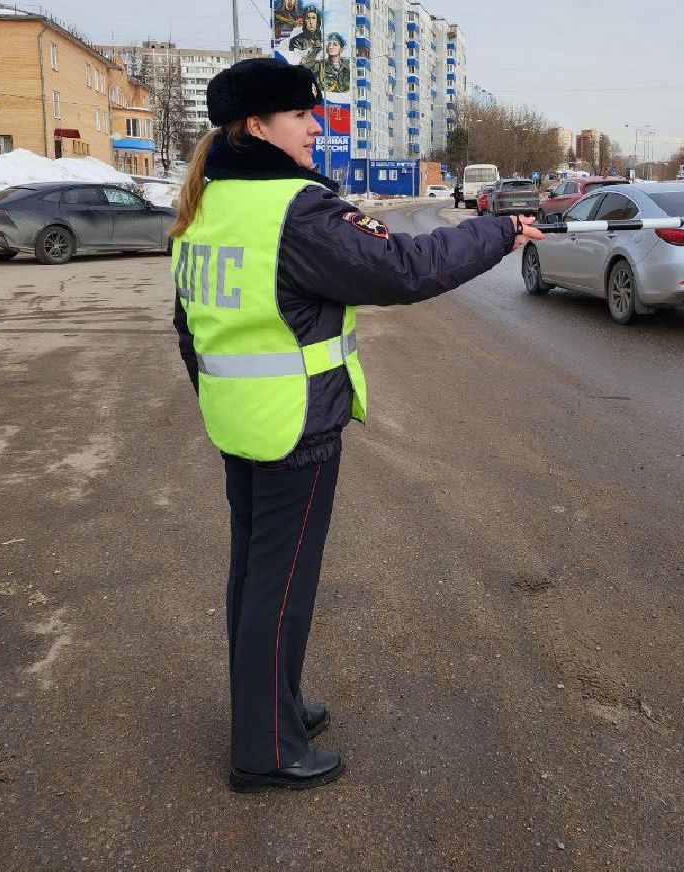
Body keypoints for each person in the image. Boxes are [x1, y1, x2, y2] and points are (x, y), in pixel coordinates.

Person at [168, 57, 541, 793]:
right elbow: (402, 268)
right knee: (279, 588)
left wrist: (217, 396)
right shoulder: (297, 210)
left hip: (239, 422)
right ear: (256, 125)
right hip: (295, 430)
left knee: (254, 578)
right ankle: (266, 751)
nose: (316, 126)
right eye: (302, 115)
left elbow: (189, 325)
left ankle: (271, 710)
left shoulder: (210, 205)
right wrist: (497, 235)